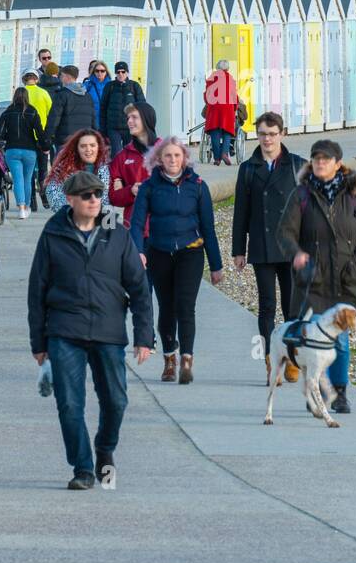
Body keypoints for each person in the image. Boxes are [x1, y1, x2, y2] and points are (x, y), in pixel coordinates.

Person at [28, 170, 153, 490]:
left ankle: (104, 448)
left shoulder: (117, 233)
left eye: (98, 194)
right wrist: (38, 341)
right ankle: (82, 468)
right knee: (69, 403)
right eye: (87, 195)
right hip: (64, 329)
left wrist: (144, 336)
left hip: (108, 330)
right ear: (70, 199)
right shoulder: (53, 232)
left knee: (116, 401)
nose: (95, 200)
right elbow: (37, 289)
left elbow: (139, 288)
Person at [277, 139, 356, 416]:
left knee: (341, 340)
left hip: (345, 279)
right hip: (313, 279)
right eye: (316, 158)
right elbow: (284, 233)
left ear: (337, 163)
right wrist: (296, 253)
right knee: (311, 337)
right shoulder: (301, 195)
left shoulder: (354, 195)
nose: (320, 163)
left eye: (325, 159)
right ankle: (317, 392)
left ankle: (341, 393)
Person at [130, 136, 224, 385]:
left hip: (190, 252)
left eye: (177, 155)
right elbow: (137, 223)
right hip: (158, 253)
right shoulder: (150, 187)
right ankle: (169, 357)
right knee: (167, 307)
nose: (172, 160)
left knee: (186, 306)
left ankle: (186, 360)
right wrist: (138, 251)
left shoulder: (198, 185)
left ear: (184, 158)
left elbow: (208, 227)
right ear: (159, 159)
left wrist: (216, 265)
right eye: (168, 156)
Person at [232, 112, 307, 385]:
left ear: (282, 135)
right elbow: (241, 212)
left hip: (291, 249)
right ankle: (270, 361)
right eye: (263, 134)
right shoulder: (249, 168)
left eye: (272, 134)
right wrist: (238, 250)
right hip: (262, 248)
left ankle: (292, 356)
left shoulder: (297, 166)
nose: (267, 139)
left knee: (292, 308)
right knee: (267, 307)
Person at [0, 87, 47, 219]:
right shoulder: (32, 111)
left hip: (12, 150)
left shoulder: (7, 112)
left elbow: (0, 133)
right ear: (26, 97)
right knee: (27, 179)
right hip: (30, 150)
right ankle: (27, 207)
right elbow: (40, 132)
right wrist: (45, 146)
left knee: (17, 179)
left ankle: (21, 208)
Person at [108, 101, 157, 227]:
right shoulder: (121, 157)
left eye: (134, 117)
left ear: (147, 119)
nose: (129, 121)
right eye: (128, 118)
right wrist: (131, 191)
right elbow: (113, 197)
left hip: (164, 229)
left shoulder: (168, 151)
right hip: (134, 228)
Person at [44, 129, 110, 211]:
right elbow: (53, 193)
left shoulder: (107, 169)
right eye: (83, 146)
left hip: (102, 219)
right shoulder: (64, 168)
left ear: (98, 147)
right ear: (77, 148)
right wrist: (74, 212)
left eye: (92, 145)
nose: (88, 149)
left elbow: (109, 201)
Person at [41, 65, 92, 152]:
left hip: (65, 140)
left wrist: (46, 140)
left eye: (62, 75)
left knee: (63, 165)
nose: (60, 78)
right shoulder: (87, 96)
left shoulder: (62, 95)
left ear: (67, 77)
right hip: (83, 139)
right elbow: (93, 119)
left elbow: (54, 119)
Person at [99, 60, 145, 156]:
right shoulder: (110, 86)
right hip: (113, 127)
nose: (120, 74)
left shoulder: (134, 86)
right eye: (118, 72)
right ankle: (116, 171)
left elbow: (142, 107)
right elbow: (103, 108)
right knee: (116, 154)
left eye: (123, 71)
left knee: (130, 154)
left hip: (130, 127)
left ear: (127, 72)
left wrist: (141, 126)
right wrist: (103, 129)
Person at [203, 59, 239, 166]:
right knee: (227, 132)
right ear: (227, 69)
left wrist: (208, 103)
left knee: (215, 132)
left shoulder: (211, 78)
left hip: (214, 108)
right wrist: (235, 107)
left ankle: (217, 159)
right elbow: (234, 96)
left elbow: (207, 95)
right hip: (227, 108)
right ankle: (224, 154)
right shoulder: (230, 79)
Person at [82, 61, 110, 128]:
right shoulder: (87, 85)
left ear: (106, 72)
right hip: (91, 121)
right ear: (93, 72)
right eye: (97, 71)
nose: (99, 73)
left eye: (102, 71)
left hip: (107, 122)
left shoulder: (111, 85)